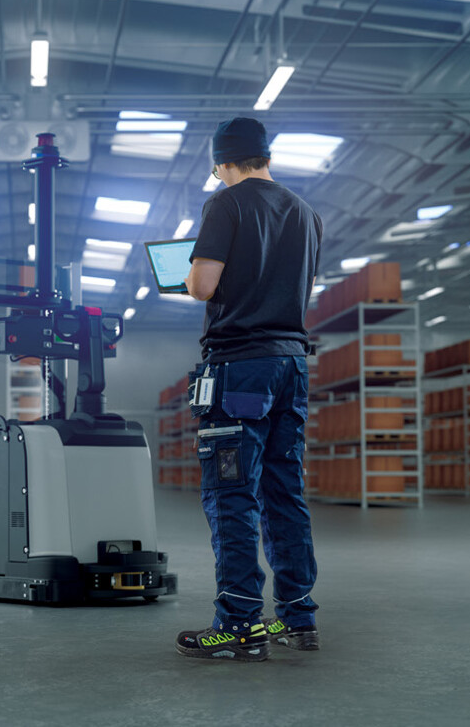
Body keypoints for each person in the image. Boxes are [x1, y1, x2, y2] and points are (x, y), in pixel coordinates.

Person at [173, 116, 324, 662]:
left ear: (221, 163)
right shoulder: (306, 213)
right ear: (266, 157)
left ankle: (239, 623)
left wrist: (188, 278)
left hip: (239, 368)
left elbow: (203, 285)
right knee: (285, 491)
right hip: (291, 365)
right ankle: (298, 619)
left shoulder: (226, 203)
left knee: (232, 492)